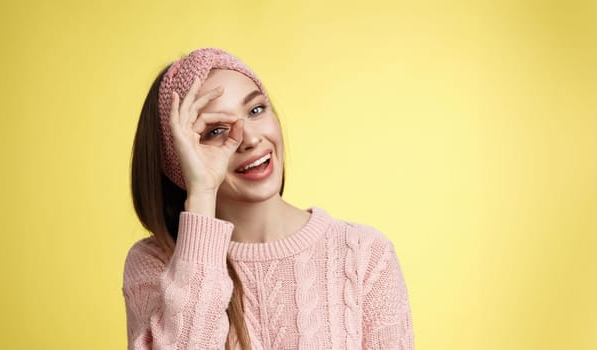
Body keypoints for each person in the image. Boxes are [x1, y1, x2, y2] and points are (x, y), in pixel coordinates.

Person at [123, 48, 414, 349]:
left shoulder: (364, 254)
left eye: (256, 110)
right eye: (215, 131)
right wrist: (202, 195)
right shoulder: (155, 263)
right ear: (179, 161)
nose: (249, 139)